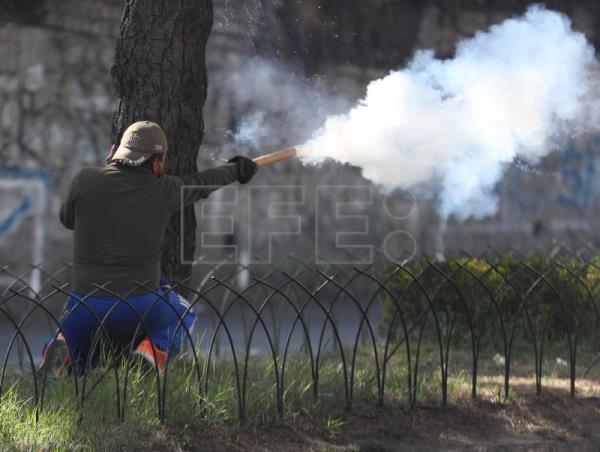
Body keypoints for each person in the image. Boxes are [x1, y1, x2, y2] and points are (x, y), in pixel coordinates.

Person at [38, 121, 257, 376]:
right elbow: (202, 183)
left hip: (86, 306)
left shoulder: (85, 179)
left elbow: (67, 220)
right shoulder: (164, 189)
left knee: (79, 349)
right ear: (156, 163)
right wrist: (235, 169)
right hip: (141, 307)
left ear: (117, 152)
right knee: (184, 313)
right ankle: (150, 353)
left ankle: (63, 347)